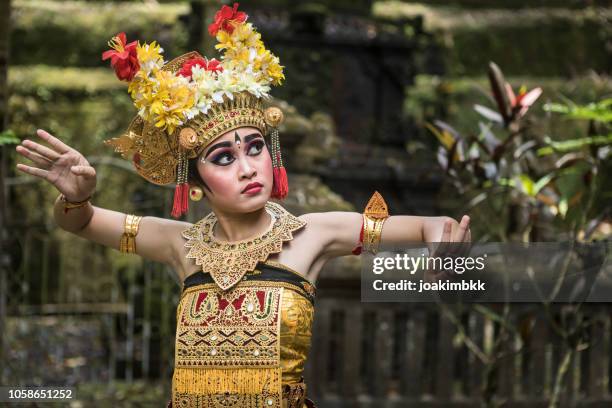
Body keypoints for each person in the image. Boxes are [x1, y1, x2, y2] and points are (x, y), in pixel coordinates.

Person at [14, 3, 471, 407]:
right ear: (193, 180)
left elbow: (433, 224)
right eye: (224, 158)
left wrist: (441, 250)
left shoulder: (314, 232)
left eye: (254, 148)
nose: (249, 168)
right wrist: (75, 198)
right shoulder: (182, 244)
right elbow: (82, 223)